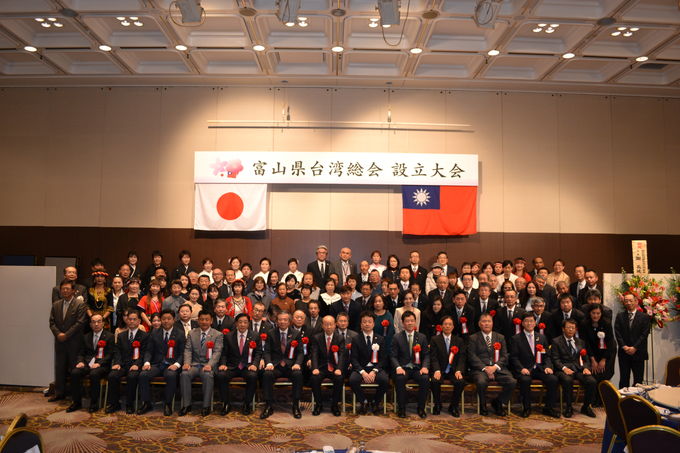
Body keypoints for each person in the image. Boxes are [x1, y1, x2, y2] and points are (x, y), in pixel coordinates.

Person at [510, 313, 559, 418]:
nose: (529, 323)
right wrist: (521, 368)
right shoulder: (516, 338)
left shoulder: (541, 337)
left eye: (531, 321)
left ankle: (548, 408)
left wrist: (548, 366)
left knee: (553, 379)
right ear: (522, 323)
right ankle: (526, 408)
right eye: (526, 321)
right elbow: (514, 357)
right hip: (525, 369)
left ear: (535, 323)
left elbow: (547, 355)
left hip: (540, 368)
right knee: (525, 380)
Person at [467, 313, 516, 416]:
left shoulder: (500, 337)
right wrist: (485, 368)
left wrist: (494, 367)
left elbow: (505, 355)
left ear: (492, 323)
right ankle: (483, 405)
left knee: (512, 381)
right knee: (481, 382)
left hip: (497, 368)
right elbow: (472, 356)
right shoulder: (473, 338)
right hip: (480, 369)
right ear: (479, 324)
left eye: (489, 321)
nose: (486, 324)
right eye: (484, 321)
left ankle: (499, 402)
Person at [138, 309, 185, 415]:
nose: (166, 321)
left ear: (174, 320)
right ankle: (146, 403)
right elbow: (149, 351)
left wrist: (177, 365)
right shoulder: (154, 333)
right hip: (157, 364)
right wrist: (146, 363)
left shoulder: (180, 334)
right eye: (163, 319)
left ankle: (168, 403)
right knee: (143, 374)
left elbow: (182, 353)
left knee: (171, 375)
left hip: (172, 365)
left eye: (169, 319)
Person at [49, 279, 88, 402]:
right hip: (60, 341)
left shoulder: (80, 304)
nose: (65, 291)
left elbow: (80, 322)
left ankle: (75, 395)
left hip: (74, 341)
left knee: (74, 368)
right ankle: (59, 393)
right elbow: (52, 322)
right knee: (59, 368)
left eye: (67, 289)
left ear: (73, 291)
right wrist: (58, 334)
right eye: (63, 289)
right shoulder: (56, 305)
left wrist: (66, 334)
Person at [260, 311, 304, 419]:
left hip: (291, 366)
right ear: (277, 321)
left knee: (298, 374)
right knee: (266, 375)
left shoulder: (296, 334)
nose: (282, 322)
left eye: (285, 320)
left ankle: (295, 405)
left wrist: (297, 363)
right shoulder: (271, 333)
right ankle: (268, 405)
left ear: (289, 322)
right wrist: (269, 363)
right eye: (280, 319)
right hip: (276, 365)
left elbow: (300, 352)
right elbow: (267, 351)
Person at [67, 314, 114, 413]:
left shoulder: (109, 336)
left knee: (94, 374)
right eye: (93, 322)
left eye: (99, 321)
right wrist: (80, 362)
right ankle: (76, 402)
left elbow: (110, 355)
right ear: (90, 324)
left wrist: (99, 363)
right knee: (75, 372)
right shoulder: (86, 337)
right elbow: (81, 353)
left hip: (102, 366)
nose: (96, 324)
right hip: (87, 364)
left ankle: (94, 403)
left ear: (103, 323)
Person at [216, 313, 261, 415]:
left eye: (245, 322)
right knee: (221, 375)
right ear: (236, 323)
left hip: (248, 366)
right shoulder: (228, 336)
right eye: (240, 322)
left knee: (253, 376)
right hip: (232, 366)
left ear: (248, 323)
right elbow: (224, 353)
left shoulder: (255, 335)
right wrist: (223, 364)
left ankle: (247, 404)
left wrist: (255, 364)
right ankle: (226, 403)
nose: (242, 324)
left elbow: (258, 353)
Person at [179, 310, 223, 416]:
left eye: (207, 319)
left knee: (207, 376)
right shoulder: (192, 333)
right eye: (202, 319)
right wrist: (187, 363)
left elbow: (217, 352)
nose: (204, 322)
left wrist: (210, 365)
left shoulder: (218, 334)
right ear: (198, 320)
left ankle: (206, 406)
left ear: (211, 321)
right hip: (194, 364)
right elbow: (188, 350)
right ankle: (186, 405)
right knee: (184, 374)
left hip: (207, 365)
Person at [551, 318, 597, 418]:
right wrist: (564, 368)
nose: (570, 330)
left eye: (573, 328)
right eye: (568, 327)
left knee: (592, 381)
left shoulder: (580, 342)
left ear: (576, 329)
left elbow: (586, 358)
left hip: (579, 369)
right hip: (563, 369)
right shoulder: (556, 341)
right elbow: (555, 360)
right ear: (563, 329)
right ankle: (568, 407)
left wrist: (586, 368)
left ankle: (586, 407)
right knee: (567, 380)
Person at [105, 308, 148, 413]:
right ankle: (114, 404)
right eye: (129, 319)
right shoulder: (121, 335)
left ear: (139, 321)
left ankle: (129, 404)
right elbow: (117, 351)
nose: (131, 321)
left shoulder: (145, 336)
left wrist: (137, 364)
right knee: (112, 375)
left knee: (132, 376)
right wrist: (117, 363)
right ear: (126, 320)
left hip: (136, 365)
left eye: (134, 319)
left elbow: (144, 353)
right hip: (123, 364)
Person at [390, 311, 430, 419]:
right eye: (407, 321)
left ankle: (421, 408)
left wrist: (425, 367)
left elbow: (426, 354)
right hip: (403, 368)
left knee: (425, 378)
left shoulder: (422, 337)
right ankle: (402, 408)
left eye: (412, 321)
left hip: (418, 368)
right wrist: (398, 367)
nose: (410, 323)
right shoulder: (397, 337)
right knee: (399, 379)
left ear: (415, 322)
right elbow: (393, 356)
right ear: (403, 323)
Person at [350, 311, 390, 415]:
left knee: (385, 380)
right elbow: (354, 359)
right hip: (361, 368)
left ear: (373, 324)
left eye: (369, 322)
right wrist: (362, 372)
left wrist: (374, 371)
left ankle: (376, 403)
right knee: (353, 380)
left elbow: (384, 358)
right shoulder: (356, 339)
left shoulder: (380, 339)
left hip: (376, 368)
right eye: (364, 322)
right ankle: (363, 402)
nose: (367, 324)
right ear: (361, 324)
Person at [429, 315, 466, 417]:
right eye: (445, 324)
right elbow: (433, 357)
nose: (447, 326)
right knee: (435, 381)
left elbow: (462, 358)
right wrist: (436, 370)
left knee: (460, 382)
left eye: (450, 324)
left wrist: (459, 370)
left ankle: (453, 406)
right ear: (441, 326)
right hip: (439, 369)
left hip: (453, 370)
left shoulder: (459, 340)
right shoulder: (434, 339)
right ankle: (437, 404)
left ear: (453, 327)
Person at [310, 315, 345, 416]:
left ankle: (334, 405)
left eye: (331, 324)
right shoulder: (317, 337)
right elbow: (314, 354)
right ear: (322, 326)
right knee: (314, 378)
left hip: (334, 368)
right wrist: (315, 367)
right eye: (326, 324)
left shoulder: (340, 338)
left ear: (335, 325)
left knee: (339, 378)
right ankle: (319, 404)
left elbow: (342, 355)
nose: (328, 327)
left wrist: (339, 369)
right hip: (321, 367)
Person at [581, 304, 615, 405]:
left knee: (604, 375)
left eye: (598, 313)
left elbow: (610, 342)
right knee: (594, 376)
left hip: (606, 354)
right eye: (593, 313)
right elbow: (585, 343)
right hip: (591, 354)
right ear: (589, 313)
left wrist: (604, 359)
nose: (596, 316)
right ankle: (593, 401)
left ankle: (602, 401)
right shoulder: (584, 324)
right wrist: (592, 360)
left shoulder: (606, 323)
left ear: (601, 313)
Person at [614, 293, 650, 389]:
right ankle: (622, 402)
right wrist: (624, 346)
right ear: (624, 302)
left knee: (638, 380)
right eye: (626, 301)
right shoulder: (620, 316)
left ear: (636, 301)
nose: (628, 303)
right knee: (624, 379)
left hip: (638, 352)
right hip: (624, 353)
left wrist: (634, 347)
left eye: (631, 300)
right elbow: (617, 333)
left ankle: (637, 402)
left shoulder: (644, 317)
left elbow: (644, 335)